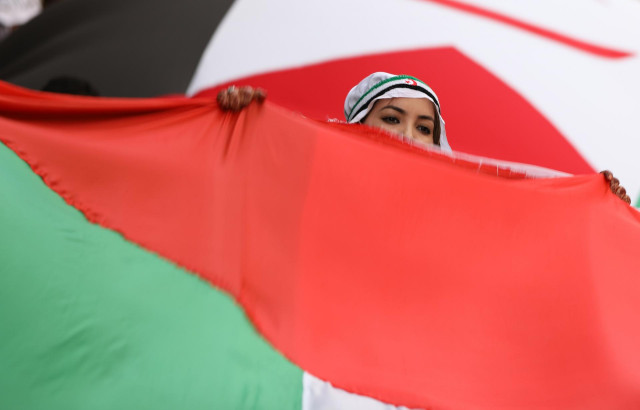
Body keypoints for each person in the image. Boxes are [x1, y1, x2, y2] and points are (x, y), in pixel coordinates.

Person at [216, 73, 631, 204]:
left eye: (423, 128)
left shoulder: (461, 206)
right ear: (359, 123)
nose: (408, 135)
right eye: (392, 118)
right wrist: (244, 123)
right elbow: (250, 186)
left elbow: (528, 230)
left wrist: (590, 201)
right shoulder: (312, 179)